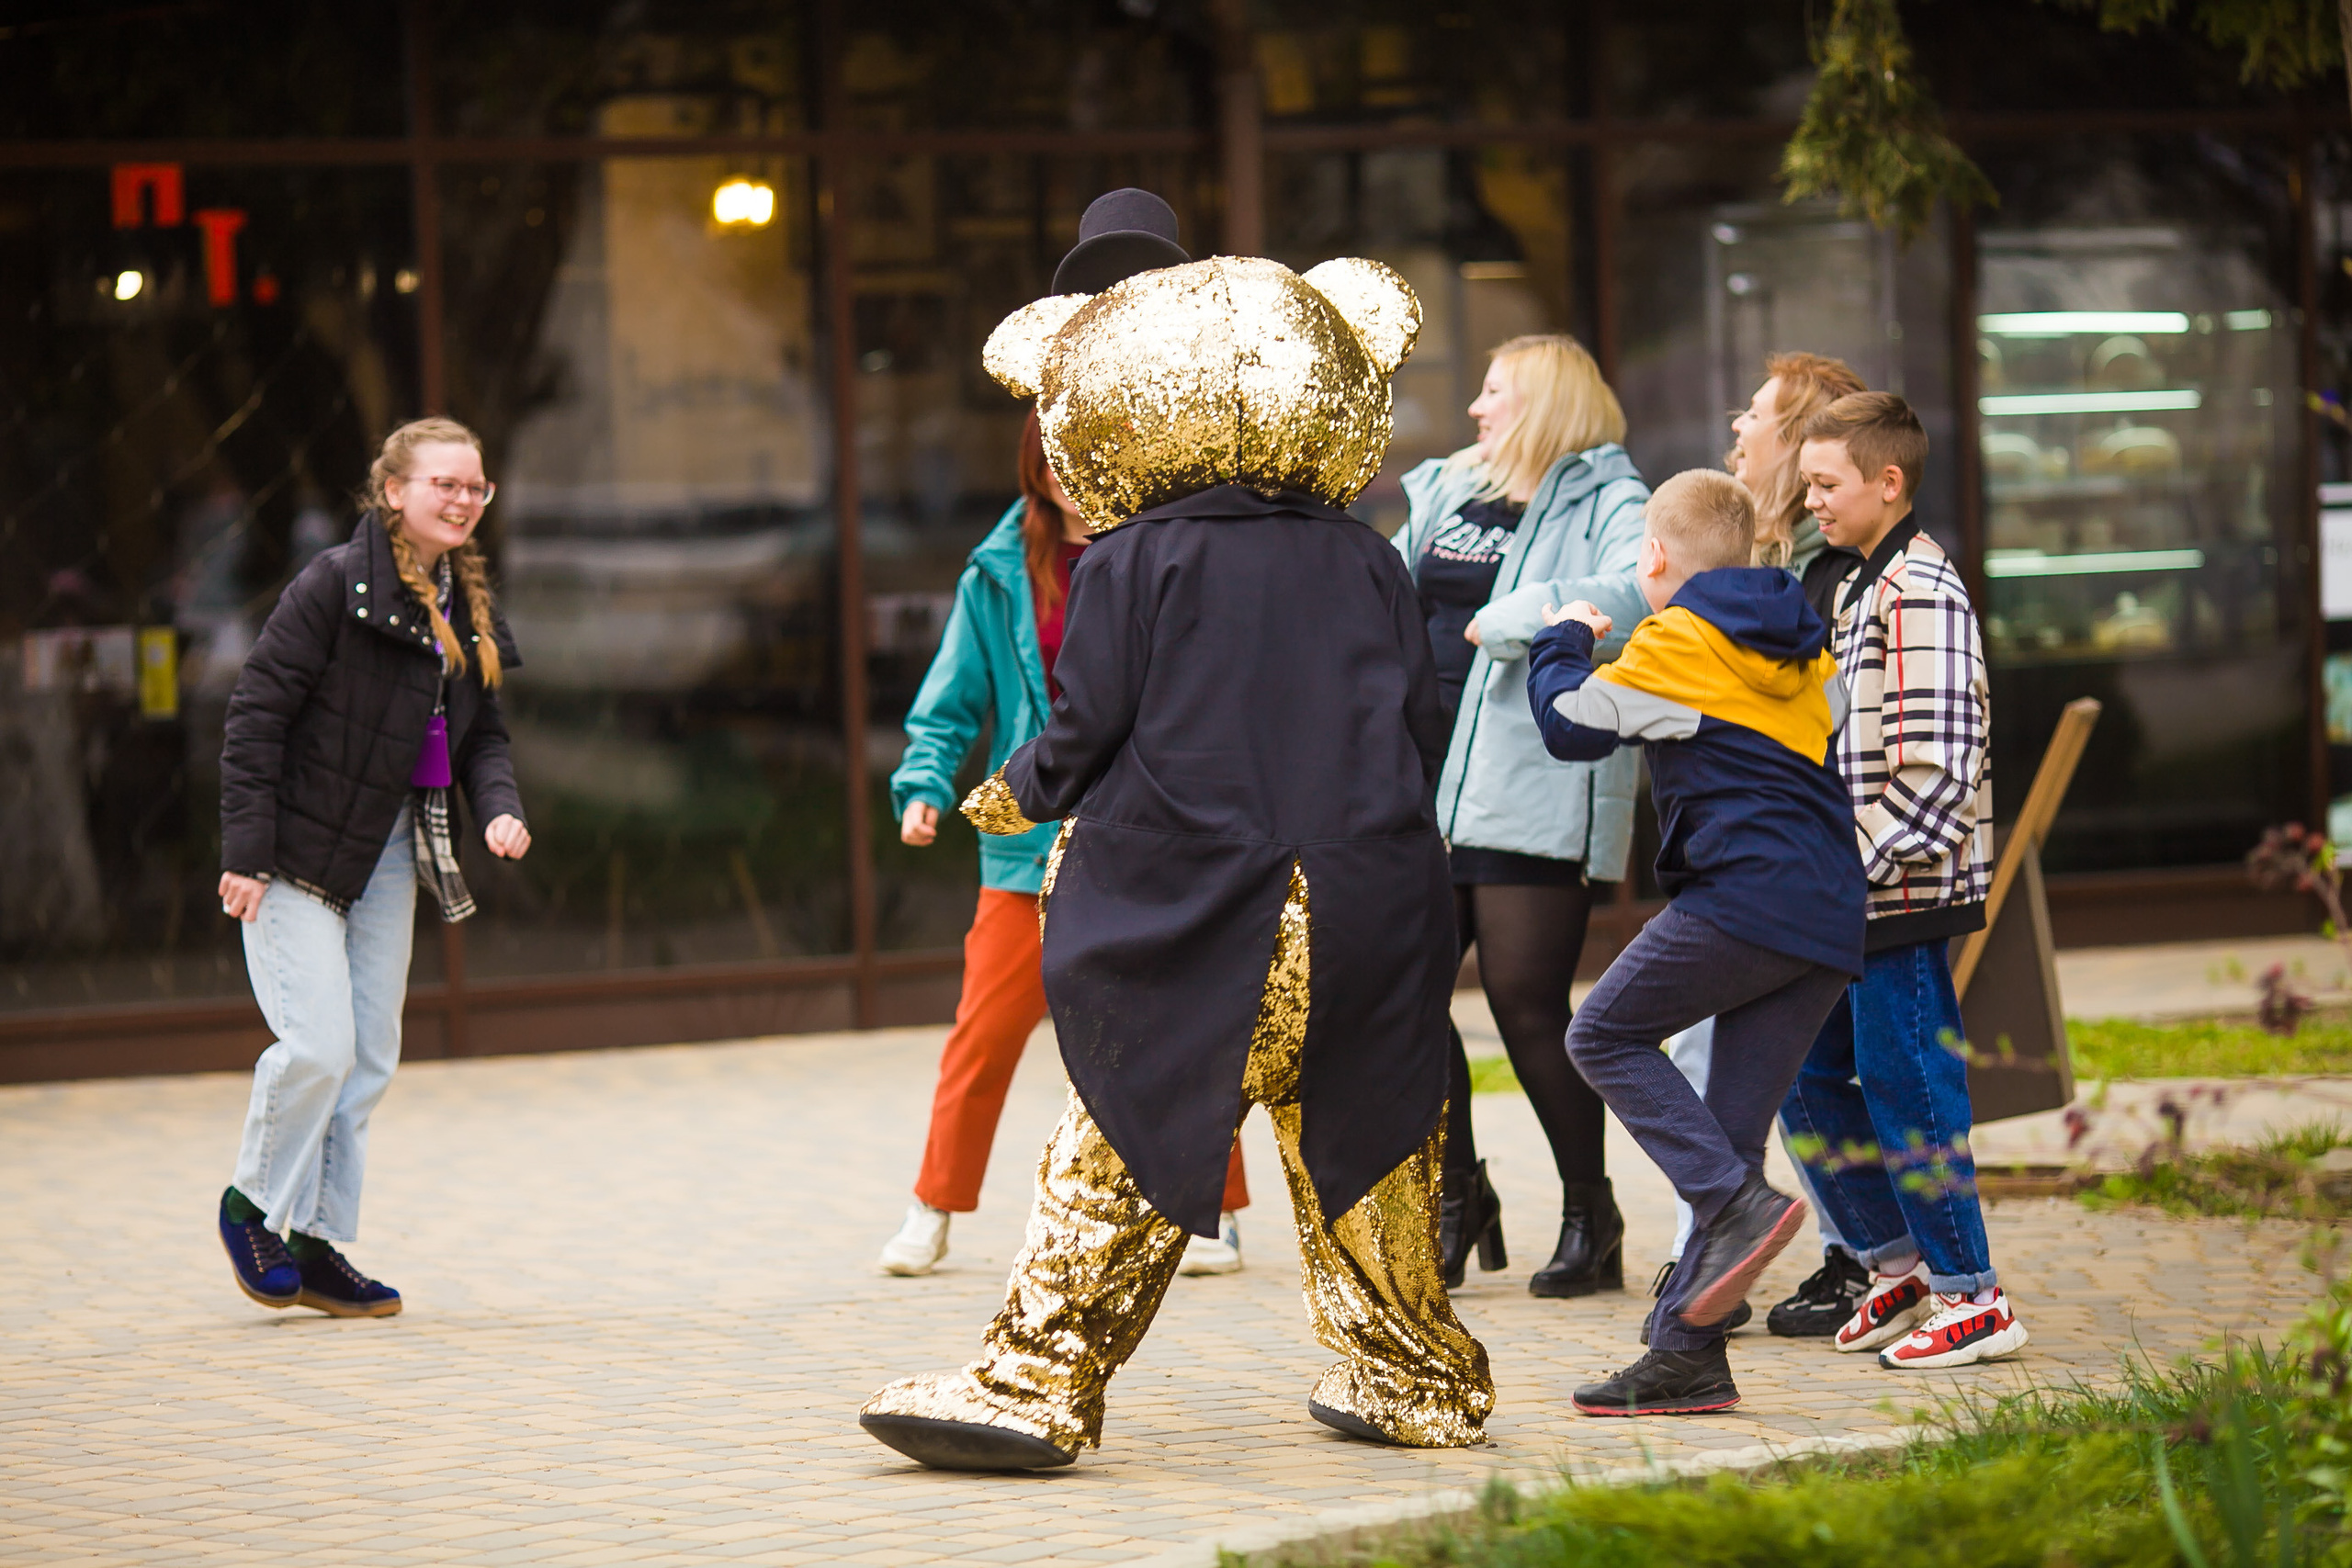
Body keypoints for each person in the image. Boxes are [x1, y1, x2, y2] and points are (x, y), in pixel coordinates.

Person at [859, 223, 1492, 1469]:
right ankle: (1418, 1376)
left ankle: (1034, 1381)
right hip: (1371, 893)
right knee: (1367, 1143)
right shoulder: (1366, 557)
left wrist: (1011, 793)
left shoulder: (1133, 556)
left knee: (1121, 1135)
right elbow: (1424, 714)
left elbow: (1084, 727)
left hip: (1206, 894)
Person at [1522, 468, 1864, 1416]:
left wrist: (1564, 639)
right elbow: (1823, 736)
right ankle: (1688, 1355)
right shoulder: (1801, 649)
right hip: (1829, 910)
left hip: (1747, 894)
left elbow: (1569, 726)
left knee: (1600, 1036)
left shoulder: (1678, 637)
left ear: (1657, 557)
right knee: (1726, 1135)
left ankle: (1732, 1204)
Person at [880, 408, 1250, 1280]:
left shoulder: (1161, 547)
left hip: (1147, 834)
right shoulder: (1001, 566)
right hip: (1029, 839)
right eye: (1048, 459)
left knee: (1177, 1026)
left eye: (1081, 455)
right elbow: (951, 697)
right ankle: (932, 1207)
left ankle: (1214, 1211)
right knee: (986, 1030)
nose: (1064, 473)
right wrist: (924, 785)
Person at [215, 416, 527, 1317]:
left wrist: (500, 809)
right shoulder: (333, 585)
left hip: (392, 852)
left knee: (367, 1061)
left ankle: (311, 1243)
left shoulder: (468, 607)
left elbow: (484, 736)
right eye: (445, 484)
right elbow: (255, 718)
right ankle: (249, 1208)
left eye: (476, 486)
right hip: (293, 854)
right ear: (393, 490)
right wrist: (245, 853)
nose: (463, 499)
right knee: (317, 1046)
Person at [1389, 334, 1648, 1298]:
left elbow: (1635, 593)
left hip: (1528, 781)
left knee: (1525, 1007)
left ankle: (1593, 1214)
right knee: (1401, 999)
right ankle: (1458, 1198)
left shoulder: (1609, 495)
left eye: (1493, 390)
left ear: (1542, 400)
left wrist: (1511, 620)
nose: (1474, 408)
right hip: (1417, 781)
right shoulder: (1449, 487)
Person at [1776, 392, 2027, 1371]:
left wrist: (1836, 872)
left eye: (1826, 485)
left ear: (1888, 482)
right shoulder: (1855, 583)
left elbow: (1934, 777)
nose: (1813, 504)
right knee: (1806, 1076)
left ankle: (1974, 1296)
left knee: (1910, 1091)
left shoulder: (1918, 590)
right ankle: (1901, 1266)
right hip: (1847, 892)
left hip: (1900, 896)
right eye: (1807, 486)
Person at [1653, 352, 1875, 1343]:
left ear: (1801, 444)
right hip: (1790, 874)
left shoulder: (1799, 582)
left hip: (1780, 873)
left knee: (1619, 1038)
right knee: (1754, 1079)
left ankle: (1848, 1252)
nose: (1737, 428)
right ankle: (1712, 1275)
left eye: (1756, 416)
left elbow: (1581, 717)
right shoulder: (1771, 573)